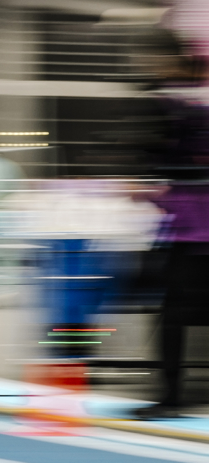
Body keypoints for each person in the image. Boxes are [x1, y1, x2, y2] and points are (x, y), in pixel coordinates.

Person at [134, 30, 209, 419]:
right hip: (186, 228)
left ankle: (171, 397)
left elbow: (185, 168)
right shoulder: (177, 100)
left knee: (174, 312)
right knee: (174, 311)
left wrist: (154, 190)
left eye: (151, 59)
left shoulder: (186, 104)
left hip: (195, 229)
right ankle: (170, 395)